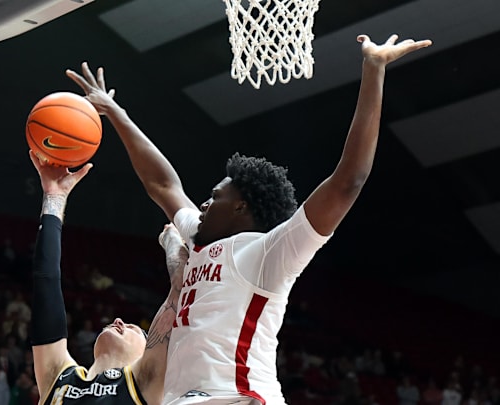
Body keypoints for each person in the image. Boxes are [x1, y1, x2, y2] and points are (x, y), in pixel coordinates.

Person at [67, 33, 432, 405]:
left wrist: (373, 70)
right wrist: (115, 112)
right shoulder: (199, 237)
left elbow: (347, 182)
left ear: (241, 207)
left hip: (239, 398)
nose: (203, 205)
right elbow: (163, 184)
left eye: (214, 197)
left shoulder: (268, 253)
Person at [27, 150, 187, 405]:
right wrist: (54, 197)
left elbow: (181, 294)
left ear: (146, 354)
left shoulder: (145, 381)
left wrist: (172, 246)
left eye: (135, 329)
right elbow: (46, 281)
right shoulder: (59, 378)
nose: (119, 321)